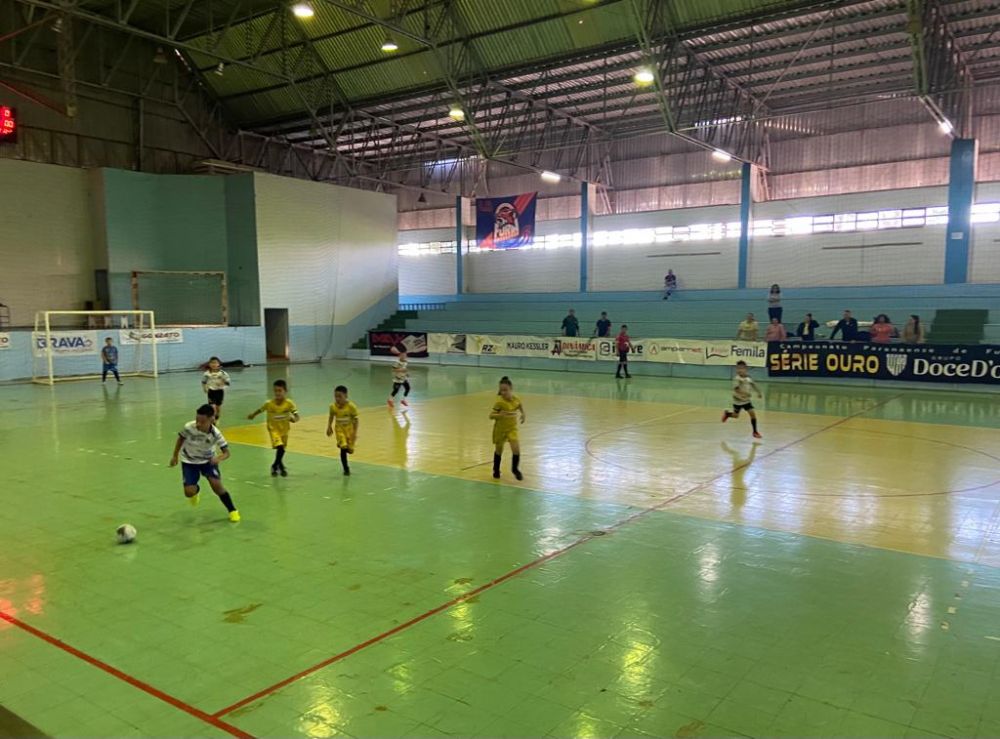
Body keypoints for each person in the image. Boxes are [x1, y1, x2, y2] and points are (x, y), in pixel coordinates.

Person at [169, 403, 240, 522]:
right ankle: (195, 491)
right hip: (189, 461)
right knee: (188, 492)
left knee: (217, 486)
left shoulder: (216, 434)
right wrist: (175, 456)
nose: (198, 424)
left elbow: (227, 453)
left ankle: (232, 510)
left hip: (208, 462)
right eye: (197, 420)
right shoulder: (188, 427)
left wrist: (218, 459)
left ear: (211, 420)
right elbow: (180, 439)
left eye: (202, 422)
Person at [247, 379, 300, 477]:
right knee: (279, 447)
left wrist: (294, 419)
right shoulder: (269, 404)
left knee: (282, 449)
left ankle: (279, 465)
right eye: (275, 391)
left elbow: (296, 415)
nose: (277, 393)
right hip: (273, 429)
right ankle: (275, 466)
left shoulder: (289, 403)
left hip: (284, 429)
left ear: (285, 391)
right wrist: (253, 415)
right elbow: (260, 409)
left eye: (280, 391)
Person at [490, 376, 525, 480]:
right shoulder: (499, 402)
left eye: (505, 390)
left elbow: (520, 406)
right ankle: (496, 469)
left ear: (511, 388)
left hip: (512, 429)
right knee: (499, 451)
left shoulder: (516, 399)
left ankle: (515, 469)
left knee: (516, 449)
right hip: (500, 430)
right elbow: (491, 415)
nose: (503, 392)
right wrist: (500, 415)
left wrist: (523, 414)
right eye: (501, 390)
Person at [721, 361, 762, 439]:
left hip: (746, 401)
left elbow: (753, 384)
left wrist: (758, 392)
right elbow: (736, 389)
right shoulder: (737, 379)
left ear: (745, 369)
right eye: (738, 368)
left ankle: (755, 432)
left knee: (752, 414)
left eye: (741, 368)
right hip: (738, 401)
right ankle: (727, 414)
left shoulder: (748, 378)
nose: (739, 370)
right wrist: (745, 394)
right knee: (736, 416)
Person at [326, 385, 359, 476]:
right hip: (339, 430)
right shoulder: (333, 407)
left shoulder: (351, 407)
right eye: (336, 396)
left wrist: (355, 433)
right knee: (343, 448)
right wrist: (329, 426)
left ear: (346, 396)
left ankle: (344, 445)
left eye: (340, 396)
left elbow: (356, 420)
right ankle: (346, 468)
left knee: (350, 450)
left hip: (350, 431)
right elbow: (331, 416)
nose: (337, 399)